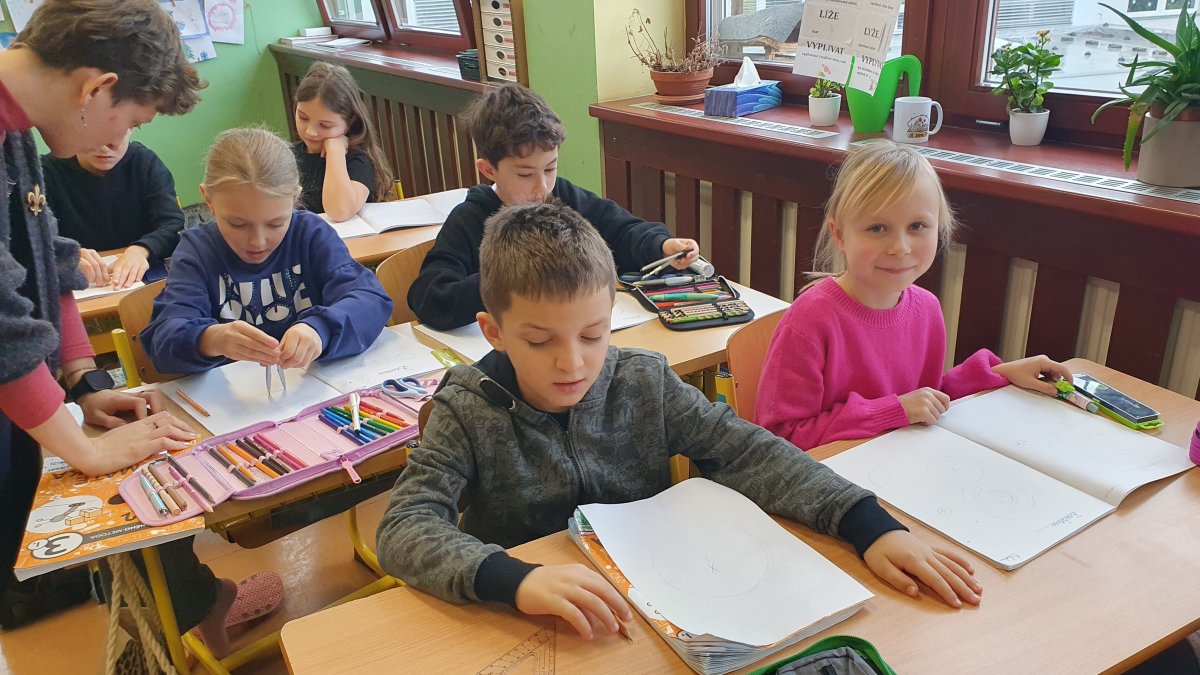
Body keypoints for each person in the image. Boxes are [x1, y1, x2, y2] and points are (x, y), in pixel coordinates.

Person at [377, 202, 982, 640]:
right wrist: (512, 579)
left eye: (593, 334)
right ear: (493, 331)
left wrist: (866, 523)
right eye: (539, 342)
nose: (573, 363)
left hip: (656, 605)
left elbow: (750, 451)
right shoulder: (466, 409)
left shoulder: (643, 382)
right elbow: (405, 525)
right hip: (525, 618)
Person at [0, 0, 201, 629]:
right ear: (96, 89)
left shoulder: (16, 126)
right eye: (131, 120)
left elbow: (44, 256)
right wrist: (84, 453)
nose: (116, 141)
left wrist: (83, 381)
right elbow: (2, 331)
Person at [756, 142, 1072, 450]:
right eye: (877, 228)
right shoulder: (810, 320)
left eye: (917, 226)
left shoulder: (926, 308)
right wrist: (893, 411)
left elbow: (927, 398)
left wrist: (1001, 373)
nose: (900, 247)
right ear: (839, 235)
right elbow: (780, 437)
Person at [407, 83, 700, 331]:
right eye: (525, 174)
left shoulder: (564, 196)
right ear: (488, 170)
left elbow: (622, 231)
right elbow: (429, 297)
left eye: (550, 169)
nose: (542, 187)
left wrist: (660, 245)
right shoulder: (469, 219)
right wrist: (507, 280)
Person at [142, 127, 393, 375]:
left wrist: (320, 329)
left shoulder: (310, 233)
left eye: (275, 223)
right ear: (208, 199)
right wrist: (211, 339)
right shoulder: (197, 250)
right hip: (236, 397)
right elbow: (163, 340)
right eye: (237, 224)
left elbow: (370, 300)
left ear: (294, 198)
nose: (257, 242)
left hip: (314, 387)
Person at [42, 129, 186, 289]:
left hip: (142, 281)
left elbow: (173, 224)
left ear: (131, 128)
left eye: (116, 134)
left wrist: (142, 250)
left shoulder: (145, 162)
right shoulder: (46, 172)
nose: (104, 147)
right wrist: (63, 254)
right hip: (80, 286)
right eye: (93, 134)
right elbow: (34, 239)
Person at [291, 61, 393, 221]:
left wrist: (336, 152)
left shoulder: (359, 161)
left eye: (325, 125)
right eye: (303, 117)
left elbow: (340, 211)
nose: (310, 131)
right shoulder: (287, 155)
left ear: (350, 121)